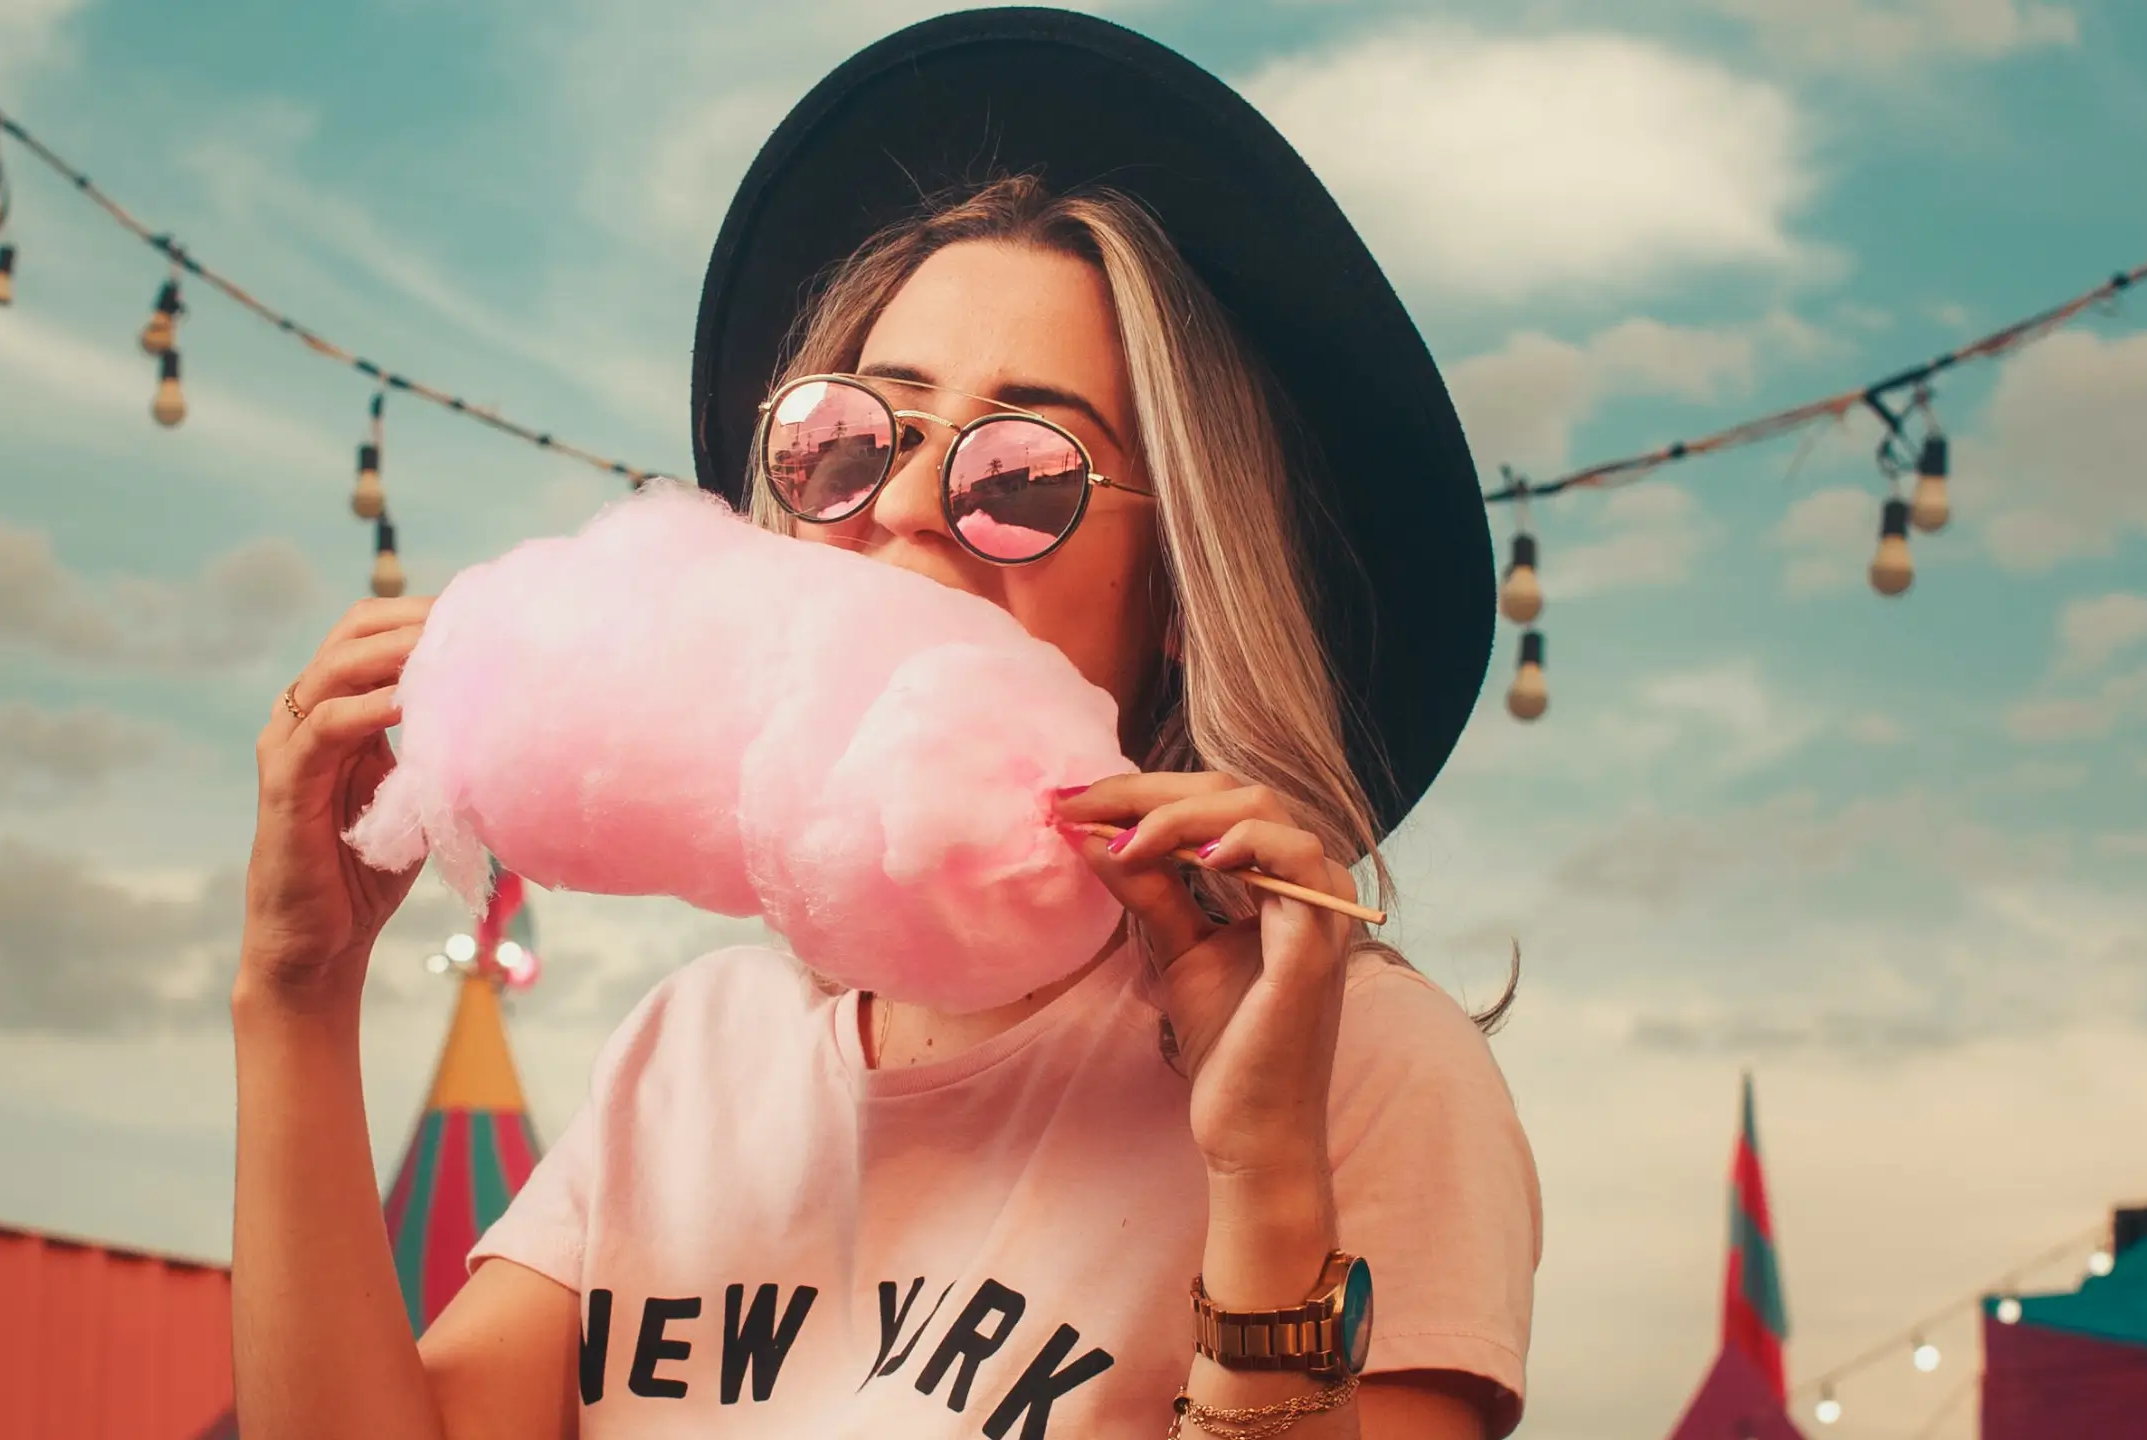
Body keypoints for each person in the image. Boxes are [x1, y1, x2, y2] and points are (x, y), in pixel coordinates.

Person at [231, 11, 1537, 1439]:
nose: (909, 504)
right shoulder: (696, 1052)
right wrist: (296, 995)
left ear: (1179, 593)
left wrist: (1266, 1171)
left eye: (1026, 473)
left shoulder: (1356, 1060)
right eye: (856, 441)